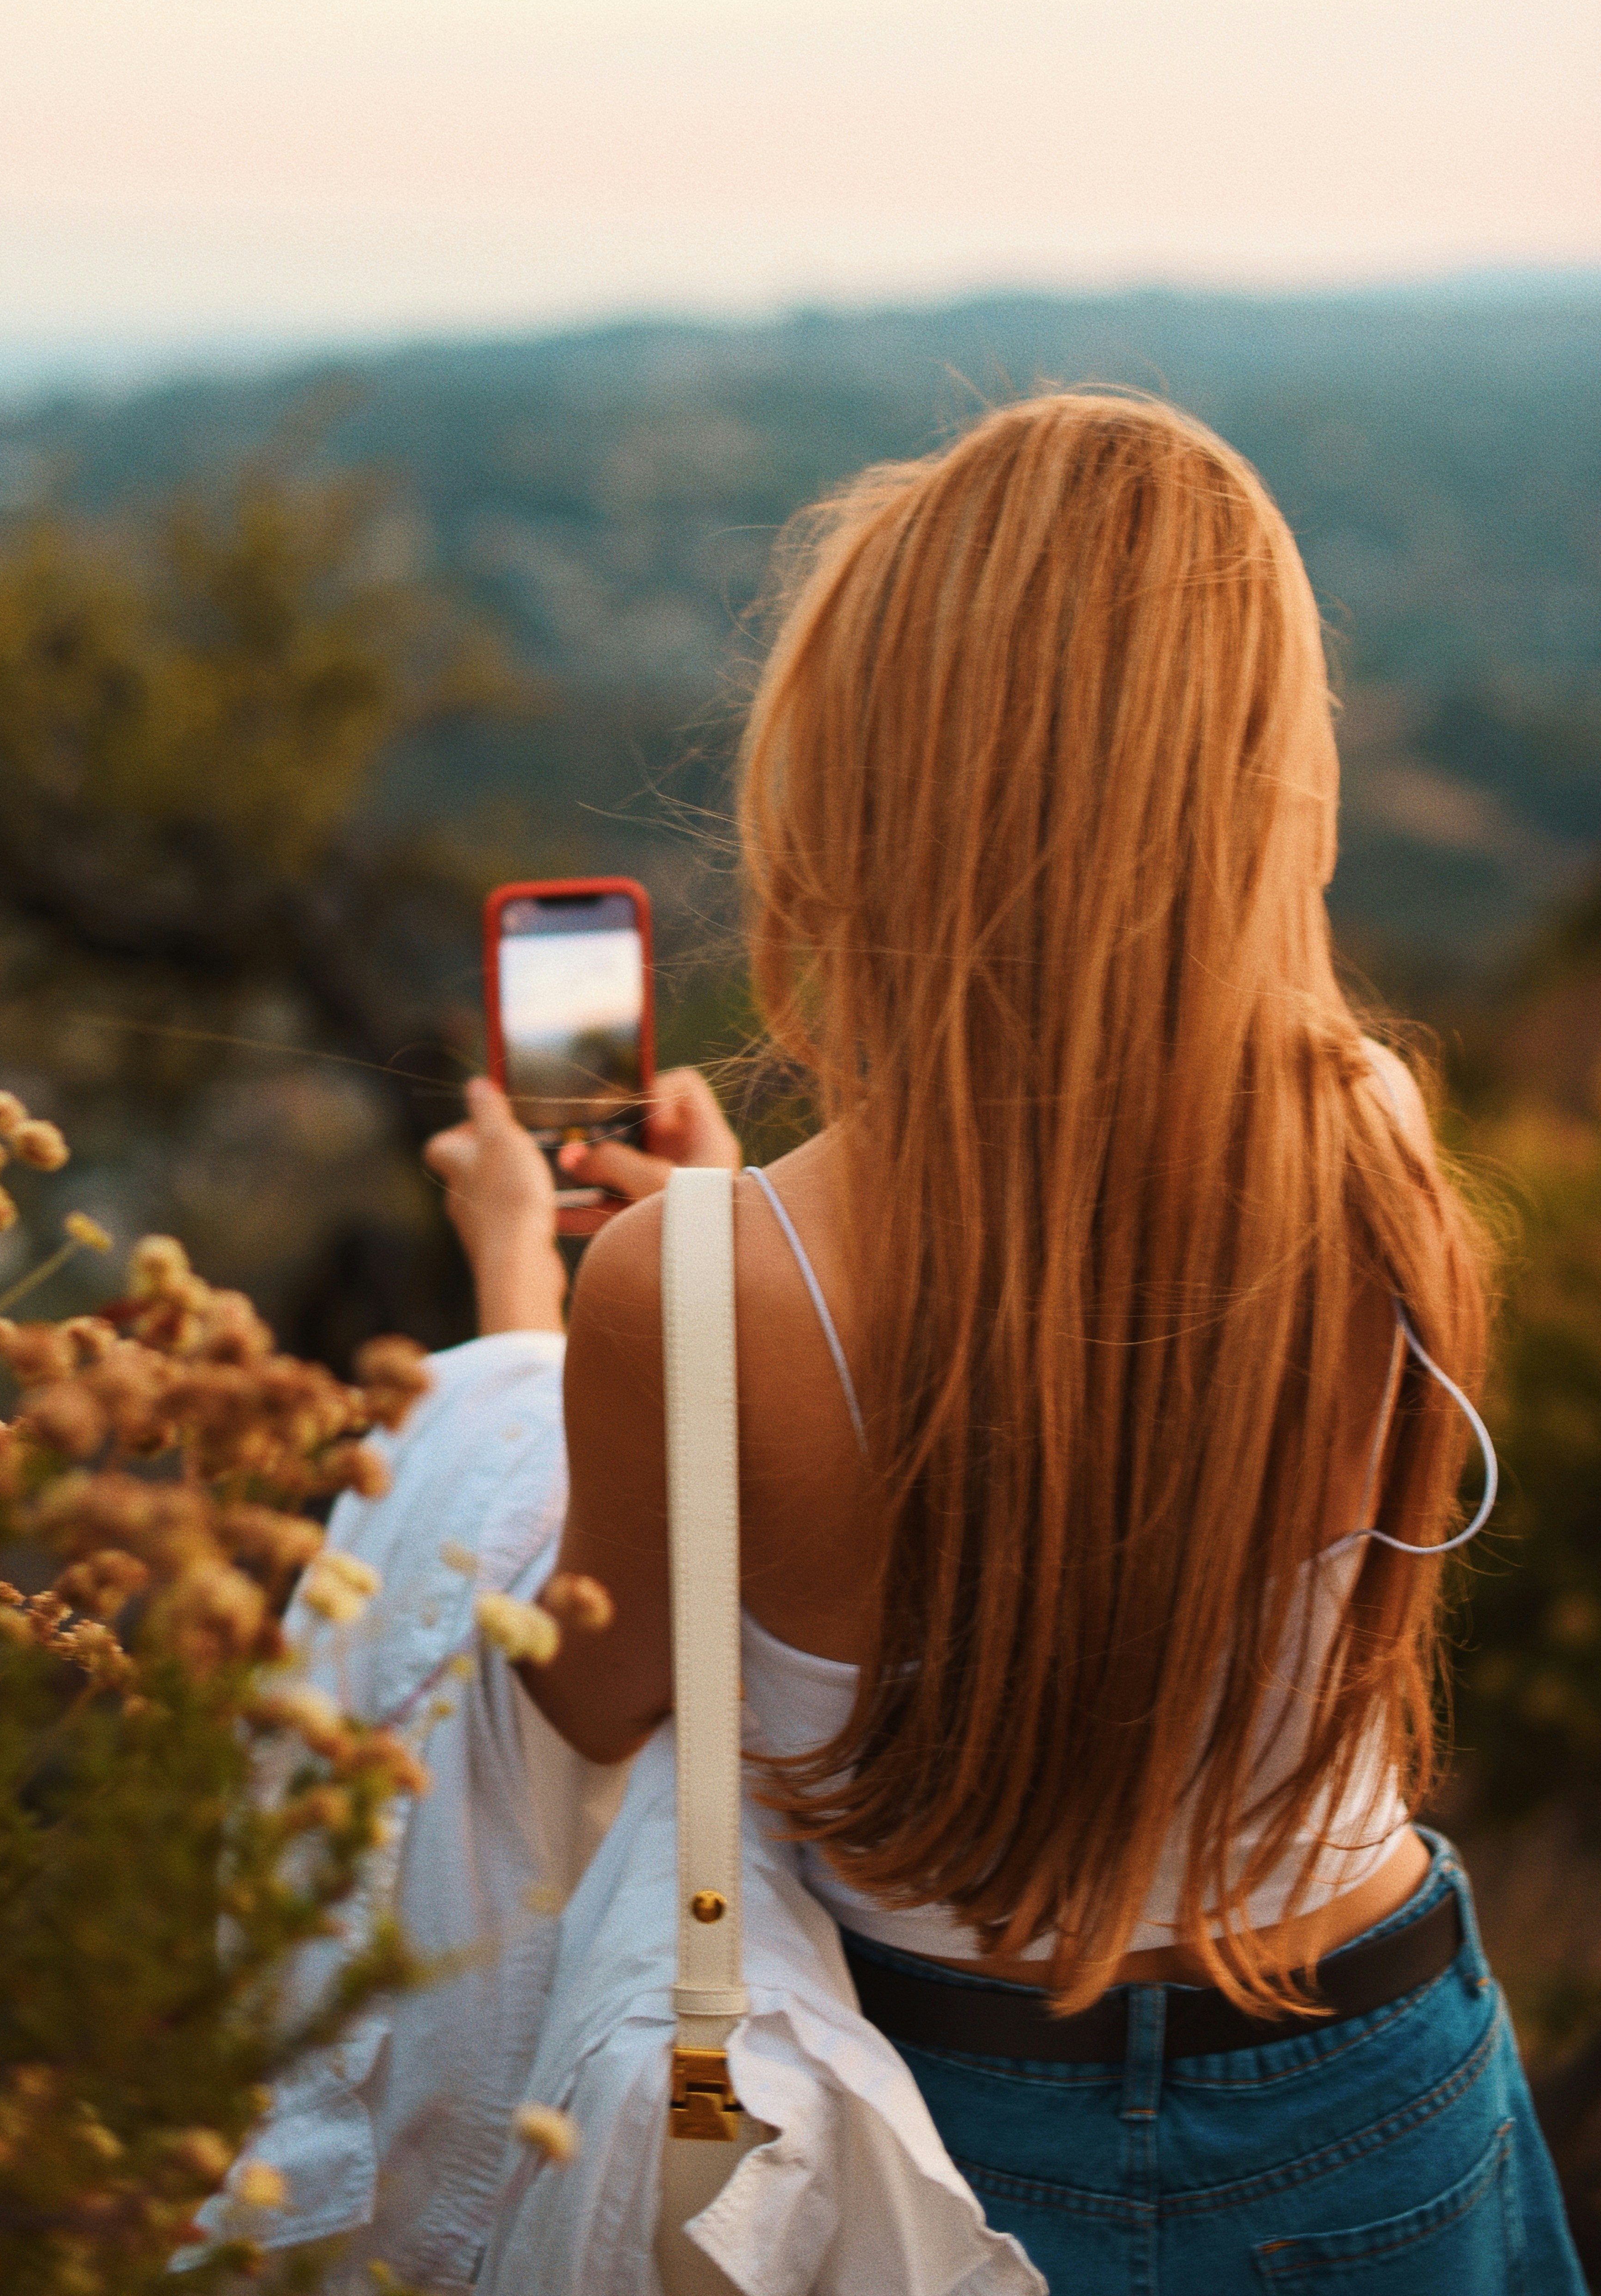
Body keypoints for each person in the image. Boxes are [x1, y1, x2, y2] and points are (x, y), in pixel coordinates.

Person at [426, 393, 1583, 2290]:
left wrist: (524, 1299)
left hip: (936, 2143)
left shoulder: (693, 1291)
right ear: (1253, 777)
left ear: (869, 787)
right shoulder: (1366, 1139)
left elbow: (565, 1710)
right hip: (1371, 2074)